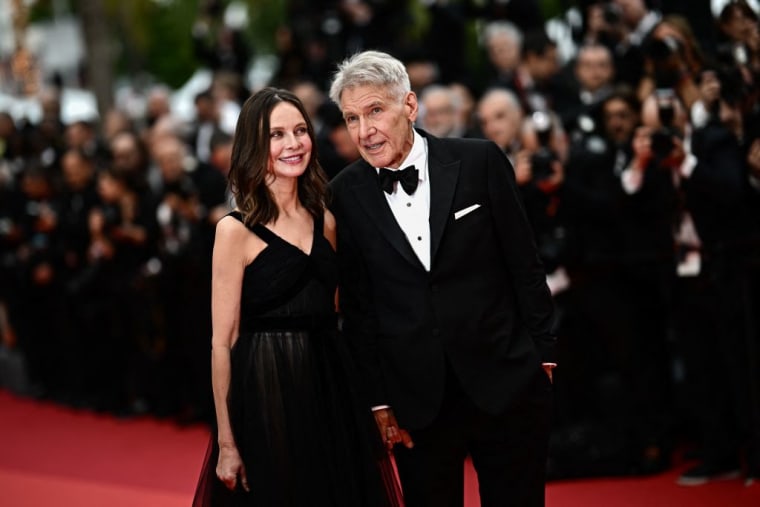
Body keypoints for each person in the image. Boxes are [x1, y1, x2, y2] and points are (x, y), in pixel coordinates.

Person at [328, 50, 557, 507]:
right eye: (352, 118)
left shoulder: (479, 161)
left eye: (375, 110)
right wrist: (376, 400)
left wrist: (544, 354)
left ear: (409, 107)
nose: (364, 131)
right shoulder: (343, 194)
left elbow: (525, 264)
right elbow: (358, 307)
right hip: (417, 399)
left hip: (504, 377)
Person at [192, 87, 403, 507]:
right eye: (276, 135)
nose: (293, 144)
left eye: (300, 130)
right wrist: (228, 443)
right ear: (255, 144)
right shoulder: (235, 230)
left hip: (332, 388)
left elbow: (344, 309)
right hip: (266, 396)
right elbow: (222, 342)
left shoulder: (326, 219)